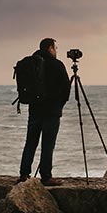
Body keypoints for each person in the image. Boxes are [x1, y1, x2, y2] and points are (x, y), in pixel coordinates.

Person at [19, 37, 72, 184]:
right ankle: (46, 177)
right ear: (50, 48)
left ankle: (24, 174)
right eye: (55, 48)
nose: (56, 51)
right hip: (52, 111)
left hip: (34, 109)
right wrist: (59, 105)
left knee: (30, 142)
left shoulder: (30, 63)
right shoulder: (56, 64)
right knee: (47, 145)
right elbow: (66, 88)